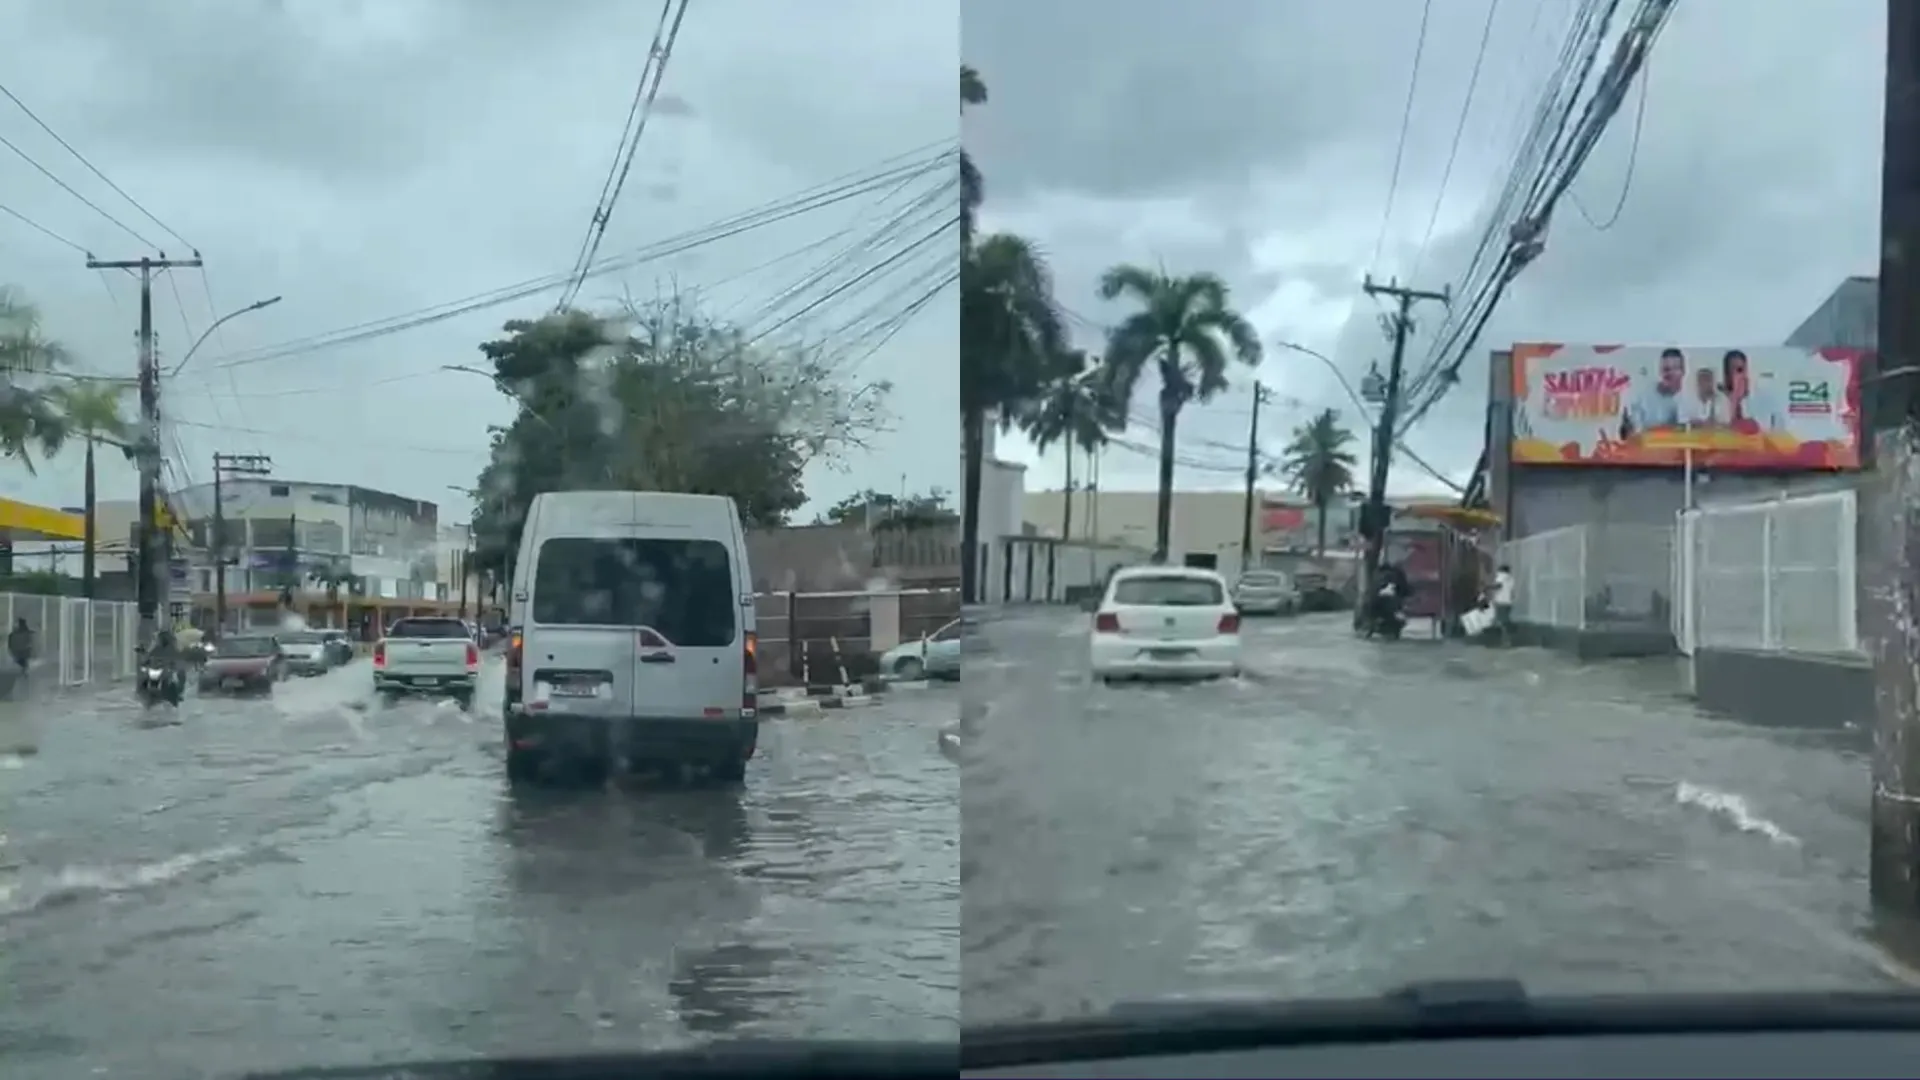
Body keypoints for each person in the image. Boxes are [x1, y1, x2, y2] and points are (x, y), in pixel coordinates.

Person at [1619, 347, 1686, 438]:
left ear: (1683, 371)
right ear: (1660, 371)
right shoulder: (1642, 396)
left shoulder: (1689, 398)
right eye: (1666, 369)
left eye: (1675, 369)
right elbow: (1631, 432)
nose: (1670, 374)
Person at [1490, 562, 1515, 646]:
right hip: (1508, 603)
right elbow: (1512, 592)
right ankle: (1506, 639)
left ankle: (1506, 640)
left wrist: (1488, 587)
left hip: (1501, 602)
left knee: (1501, 622)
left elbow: (1498, 585)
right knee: (1504, 621)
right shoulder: (1511, 579)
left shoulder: (1501, 576)